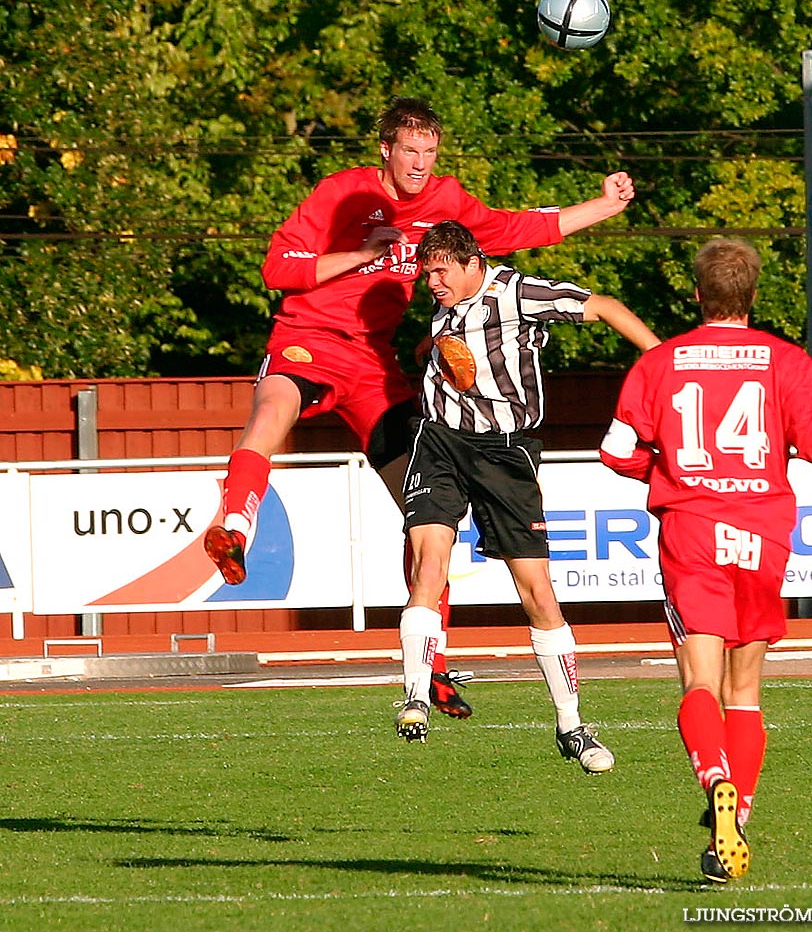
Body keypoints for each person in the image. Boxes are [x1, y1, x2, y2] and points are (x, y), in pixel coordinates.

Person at [203, 97, 640, 719]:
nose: (420, 163)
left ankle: (430, 666)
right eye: (410, 150)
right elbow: (279, 268)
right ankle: (237, 529)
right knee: (269, 415)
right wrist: (363, 252)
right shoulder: (341, 194)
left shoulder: (444, 200)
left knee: (426, 511)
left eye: (430, 152)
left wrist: (603, 205)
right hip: (308, 339)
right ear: (385, 149)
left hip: (376, 365)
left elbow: (513, 229)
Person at [598, 238, 812, 880]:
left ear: (696, 296)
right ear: (753, 297)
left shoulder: (661, 363)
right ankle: (735, 824)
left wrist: (671, 472)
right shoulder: (785, 362)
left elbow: (617, 449)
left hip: (691, 528)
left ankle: (715, 779)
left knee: (698, 682)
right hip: (762, 531)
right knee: (746, 689)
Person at [393, 220, 659, 775]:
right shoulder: (445, 303)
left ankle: (571, 725)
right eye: (427, 271)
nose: (431, 281)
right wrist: (427, 350)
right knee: (428, 564)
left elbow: (605, 306)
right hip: (439, 442)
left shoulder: (518, 292)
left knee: (537, 590)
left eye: (441, 270)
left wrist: (661, 362)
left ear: (472, 263)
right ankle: (415, 694)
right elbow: (441, 341)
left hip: (506, 455)